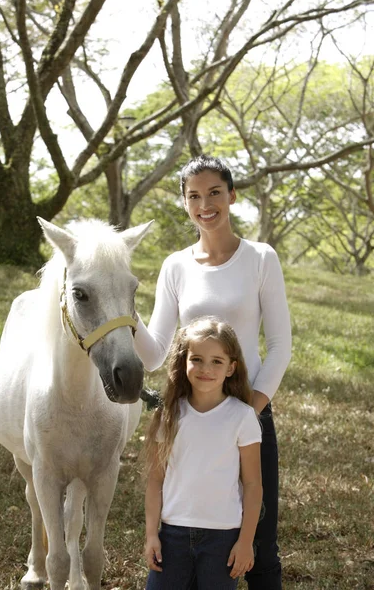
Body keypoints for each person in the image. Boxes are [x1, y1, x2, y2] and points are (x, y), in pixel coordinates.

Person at [135, 154, 292, 590]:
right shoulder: (175, 266)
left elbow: (280, 345)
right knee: (183, 535)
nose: (205, 204)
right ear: (185, 203)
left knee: (259, 541)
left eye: (214, 193)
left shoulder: (261, 258)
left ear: (232, 195)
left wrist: (248, 413)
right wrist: (125, 317)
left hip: (248, 415)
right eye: (194, 196)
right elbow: (155, 354)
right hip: (188, 419)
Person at [144, 316, 262, 590]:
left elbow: (253, 485)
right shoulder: (170, 415)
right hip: (172, 536)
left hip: (223, 539)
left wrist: (245, 542)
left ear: (231, 368)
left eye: (216, 361)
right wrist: (152, 535)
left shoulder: (242, 417)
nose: (205, 368)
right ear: (184, 361)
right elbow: (155, 481)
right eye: (196, 359)